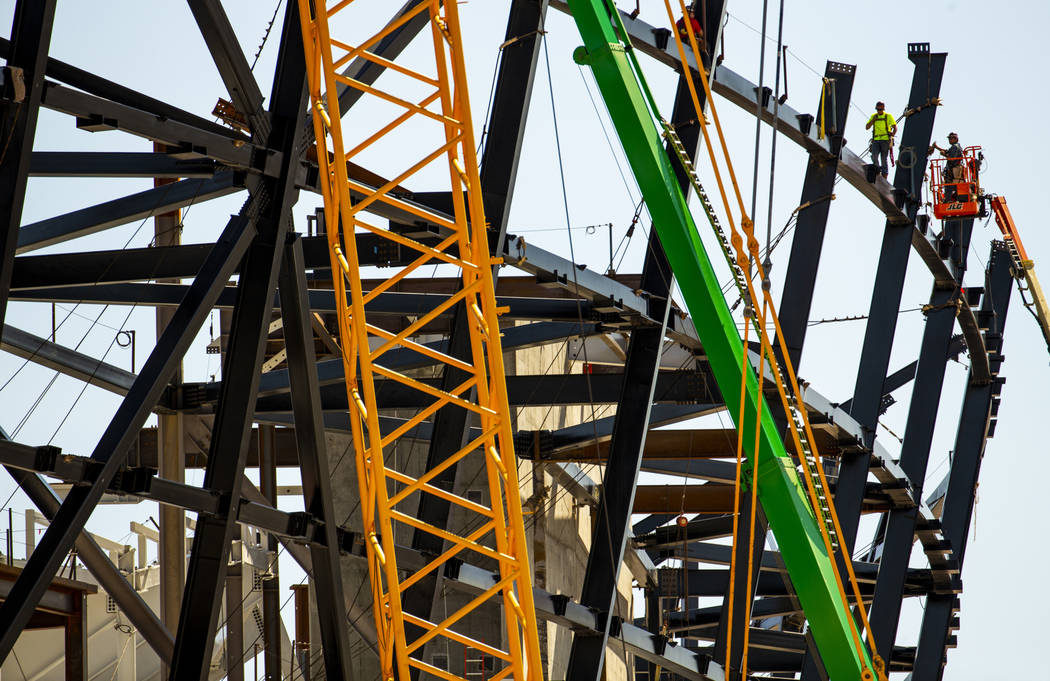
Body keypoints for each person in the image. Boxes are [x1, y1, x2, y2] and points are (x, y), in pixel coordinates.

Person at [865, 101, 897, 178]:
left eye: (880, 109)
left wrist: (893, 134)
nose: (879, 111)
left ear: (883, 109)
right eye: (878, 110)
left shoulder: (888, 116)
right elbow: (867, 127)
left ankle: (884, 173)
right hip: (876, 140)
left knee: (883, 158)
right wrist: (873, 120)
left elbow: (895, 127)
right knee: (874, 156)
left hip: (885, 140)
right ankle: (877, 170)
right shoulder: (874, 116)